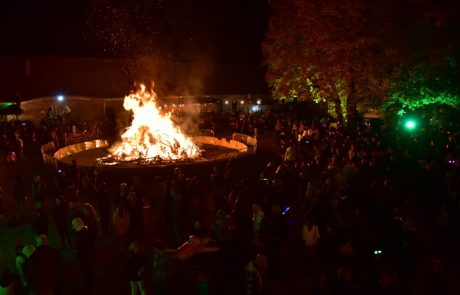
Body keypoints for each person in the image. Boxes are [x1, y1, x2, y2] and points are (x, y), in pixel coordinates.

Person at [72, 217, 95, 289]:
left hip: (85, 255)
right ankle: (90, 282)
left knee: (87, 270)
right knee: (87, 269)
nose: (73, 226)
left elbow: (83, 246)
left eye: (73, 224)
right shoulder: (84, 231)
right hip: (87, 254)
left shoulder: (81, 234)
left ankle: (89, 284)